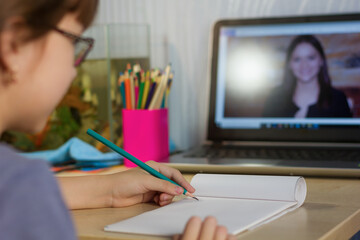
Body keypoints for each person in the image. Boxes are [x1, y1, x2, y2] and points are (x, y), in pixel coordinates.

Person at [0, 1, 235, 239]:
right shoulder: (20, 186)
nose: (75, 69)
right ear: (13, 46)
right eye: (74, 43)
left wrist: (109, 190)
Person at [263, 35, 352, 118]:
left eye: (311, 58)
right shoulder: (274, 97)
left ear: (321, 60)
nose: (304, 65)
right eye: (297, 59)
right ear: (289, 64)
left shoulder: (338, 99)